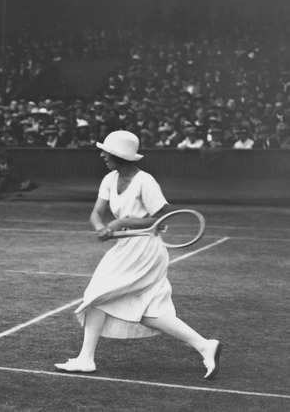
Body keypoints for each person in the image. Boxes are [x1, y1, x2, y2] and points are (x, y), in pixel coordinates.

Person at [55, 130, 222, 380]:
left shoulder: (145, 181)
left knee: (96, 295)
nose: (102, 155)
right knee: (149, 311)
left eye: (106, 152)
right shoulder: (109, 179)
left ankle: (85, 358)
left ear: (119, 156)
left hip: (146, 250)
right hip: (125, 249)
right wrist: (101, 228)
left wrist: (121, 222)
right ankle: (204, 345)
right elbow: (95, 214)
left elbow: (161, 219)